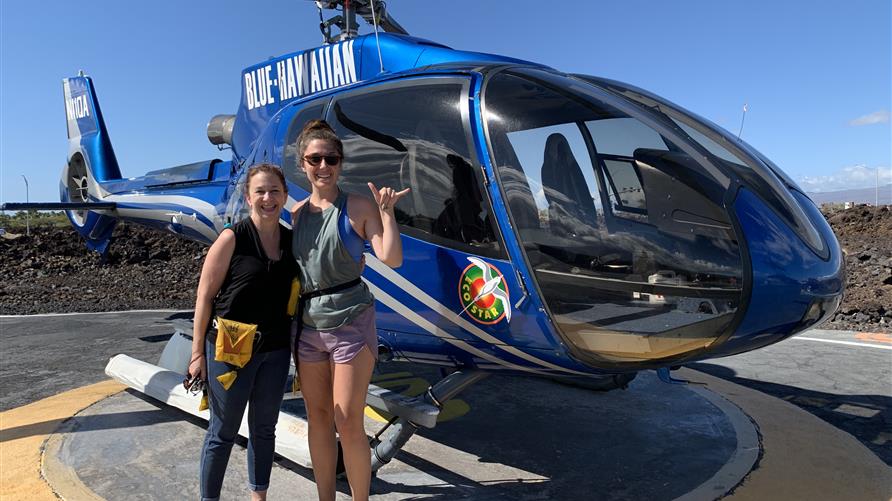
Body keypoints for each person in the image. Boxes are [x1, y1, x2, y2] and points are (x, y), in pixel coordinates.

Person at [291, 119, 409, 501]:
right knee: (319, 420)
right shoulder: (295, 215)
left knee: (348, 422)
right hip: (308, 328)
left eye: (331, 159)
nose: (323, 166)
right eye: (315, 159)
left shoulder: (356, 205)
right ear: (302, 163)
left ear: (341, 163)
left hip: (351, 325)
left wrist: (387, 214)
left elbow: (391, 257)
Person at [188, 163, 298, 501]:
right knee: (222, 432)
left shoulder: (292, 242)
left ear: (285, 196)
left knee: (264, 431)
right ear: (248, 197)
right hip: (229, 350)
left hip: (275, 351)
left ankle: (258, 497)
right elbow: (205, 297)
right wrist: (196, 355)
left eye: (274, 191)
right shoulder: (232, 238)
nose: (268, 198)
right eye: (260, 192)